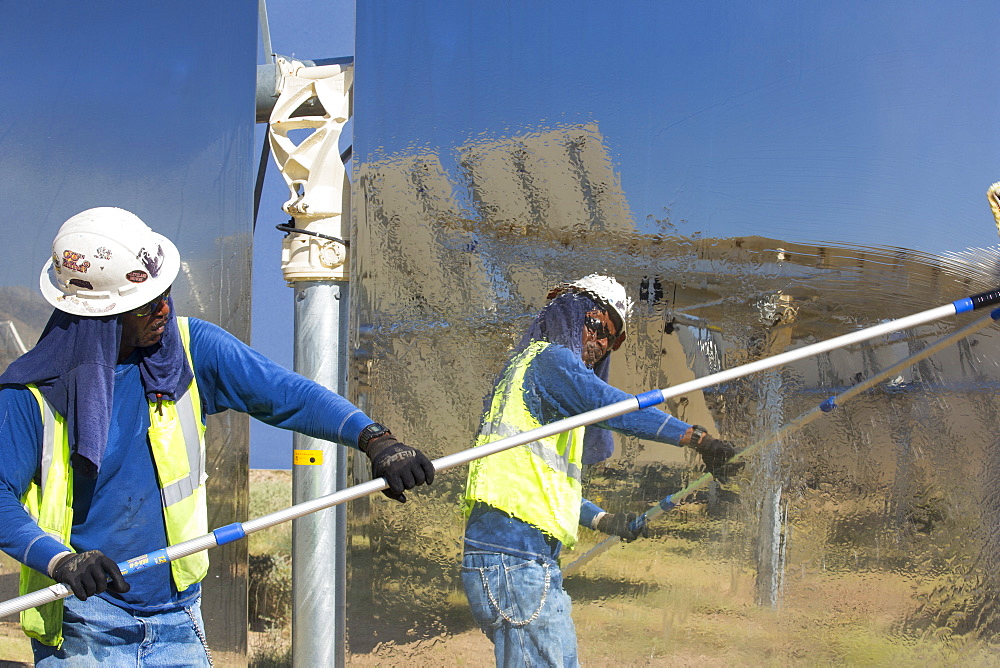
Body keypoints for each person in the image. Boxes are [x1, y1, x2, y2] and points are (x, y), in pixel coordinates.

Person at [0, 207, 435, 665]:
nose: (165, 309)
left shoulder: (189, 350)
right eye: (147, 304)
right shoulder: (31, 396)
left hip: (179, 616)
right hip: (87, 623)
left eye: (165, 292)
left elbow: (286, 394)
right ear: (100, 316)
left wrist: (374, 439)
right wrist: (60, 561)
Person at [460, 274, 740, 667]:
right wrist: (696, 439)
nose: (603, 344)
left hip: (527, 558)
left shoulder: (538, 379)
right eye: (598, 326)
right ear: (570, 314)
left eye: (613, 338)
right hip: (512, 556)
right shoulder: (548, 359)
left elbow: (547, 487)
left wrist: (606, 521)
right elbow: (608, 405)